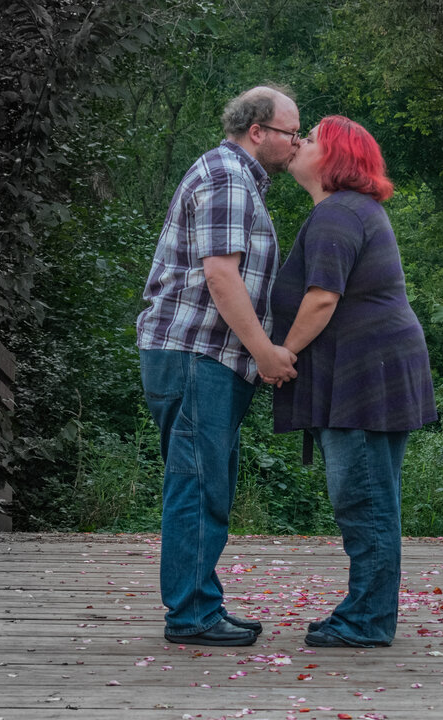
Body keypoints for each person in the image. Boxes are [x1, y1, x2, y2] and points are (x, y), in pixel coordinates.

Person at [135, 85, 302, 647]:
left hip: (200, 355)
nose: (296, 142)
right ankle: (191, 616)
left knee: (207, 480)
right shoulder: (229, 176)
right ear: (258, 131)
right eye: (290, 132)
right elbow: (221, 277)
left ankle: (201, 604)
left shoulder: (233, 175)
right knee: (198, 482)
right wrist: (265, 354)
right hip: (196, 354)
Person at [268, 115, 438, 648]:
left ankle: (366, 620)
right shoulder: (349, 211)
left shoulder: (338, 213)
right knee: (370, 495)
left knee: (362, 497)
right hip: (375, 369)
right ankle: (367, 611)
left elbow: (322, 298)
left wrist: (282, 353)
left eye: (312, 138)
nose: (299, 143)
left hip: (366, 375)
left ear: (335, 157)